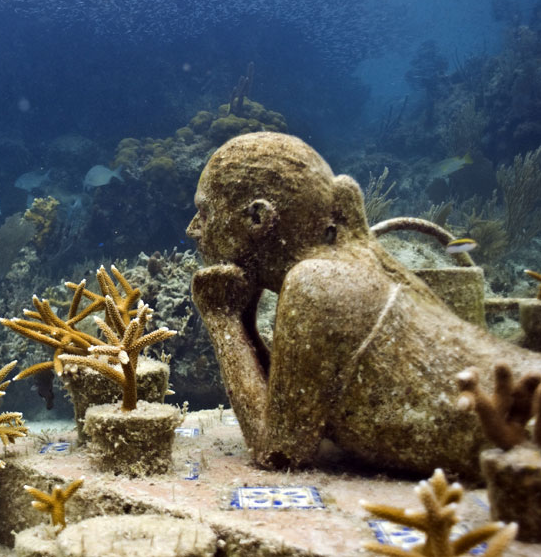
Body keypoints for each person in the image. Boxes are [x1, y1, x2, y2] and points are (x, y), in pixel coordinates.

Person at [186, 132, 537, 479]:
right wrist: (243, 315)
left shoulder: (316, 282)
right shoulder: (357, 260)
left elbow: (279, 451)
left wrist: (221, 319)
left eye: (205, 212)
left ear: (258, 218)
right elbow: (292, 406)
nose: (193, 228)